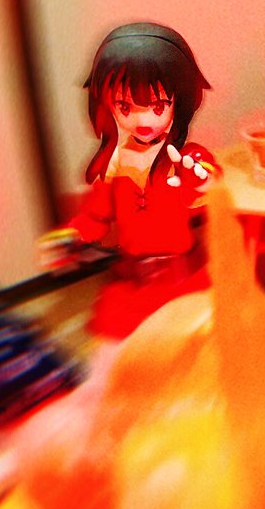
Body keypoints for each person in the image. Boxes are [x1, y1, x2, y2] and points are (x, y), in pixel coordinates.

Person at [41, 21, 220, 340]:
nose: (143, 120)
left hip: (184, 277)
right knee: (120, 350)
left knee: (194, 346)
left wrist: (200, 179)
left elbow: (207, 187)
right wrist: (70, 239)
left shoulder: (186, 158)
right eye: (125, 106)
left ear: (178, 102)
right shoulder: (114, 164)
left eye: (158, 106)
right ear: (108, 104)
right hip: (133, 282)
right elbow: (95, 218)